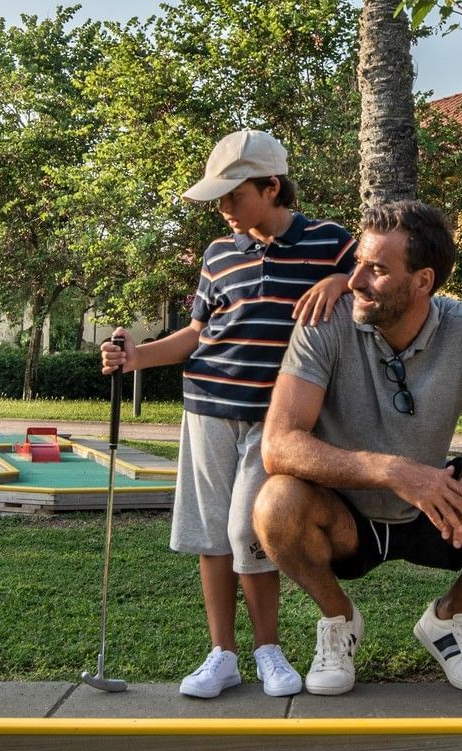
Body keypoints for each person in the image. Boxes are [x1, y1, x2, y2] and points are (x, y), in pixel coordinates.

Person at [101, 129, 356, 698]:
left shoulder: (330, 242)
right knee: (210, 535)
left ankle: (269, 649)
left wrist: (342, 279)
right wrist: (138, 356)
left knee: (249, 530)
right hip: (206, 410)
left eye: (233, 195)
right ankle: (223, 654)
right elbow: (196, 333)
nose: (223, 208)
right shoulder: (218, 255)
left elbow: (373, 279)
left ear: (271, 187)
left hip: (277, 421)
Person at [254, 199, 462, 695]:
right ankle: (339, 620)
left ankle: (451, 620)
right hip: (342, 519)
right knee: (276, 503)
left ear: (422, 282)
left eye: (376, 269)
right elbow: (279, 445)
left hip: (431, 513)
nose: (354, 280)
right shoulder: (325, 322)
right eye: (357, 263)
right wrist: (392, 470)